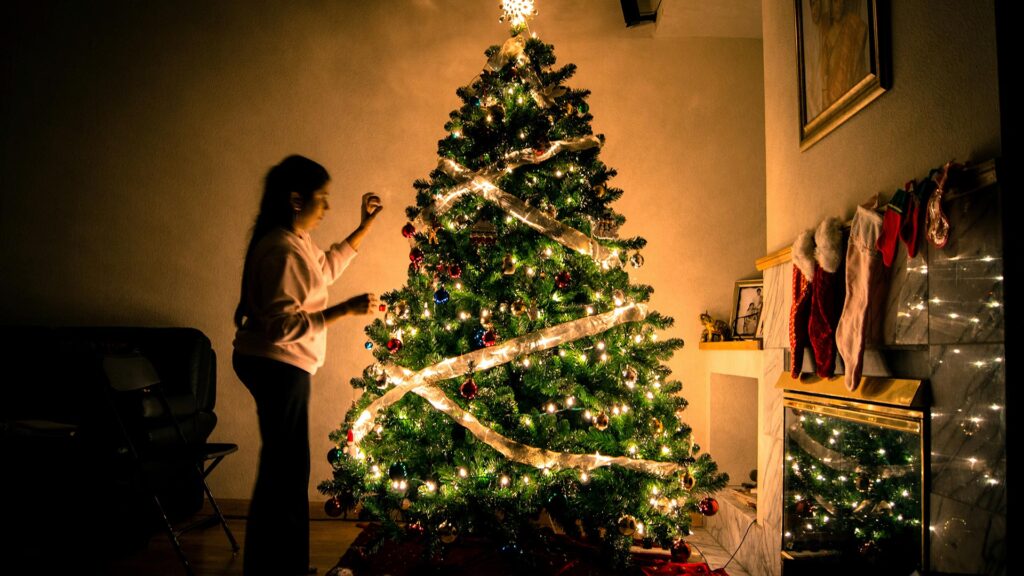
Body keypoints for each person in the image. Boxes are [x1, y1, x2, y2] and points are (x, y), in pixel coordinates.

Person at [232, 154, 382, 576]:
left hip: (281, 364)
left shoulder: (295, 241)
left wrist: (364, 227)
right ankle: (282, 569)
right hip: (278, 365)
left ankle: (276, 566)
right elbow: (282, 327)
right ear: (297, 200)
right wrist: (343, 311)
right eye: (323, 198)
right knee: (286, 473)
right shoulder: (281, 249)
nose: (327, 207)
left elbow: (324, 268)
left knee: (284, 469)